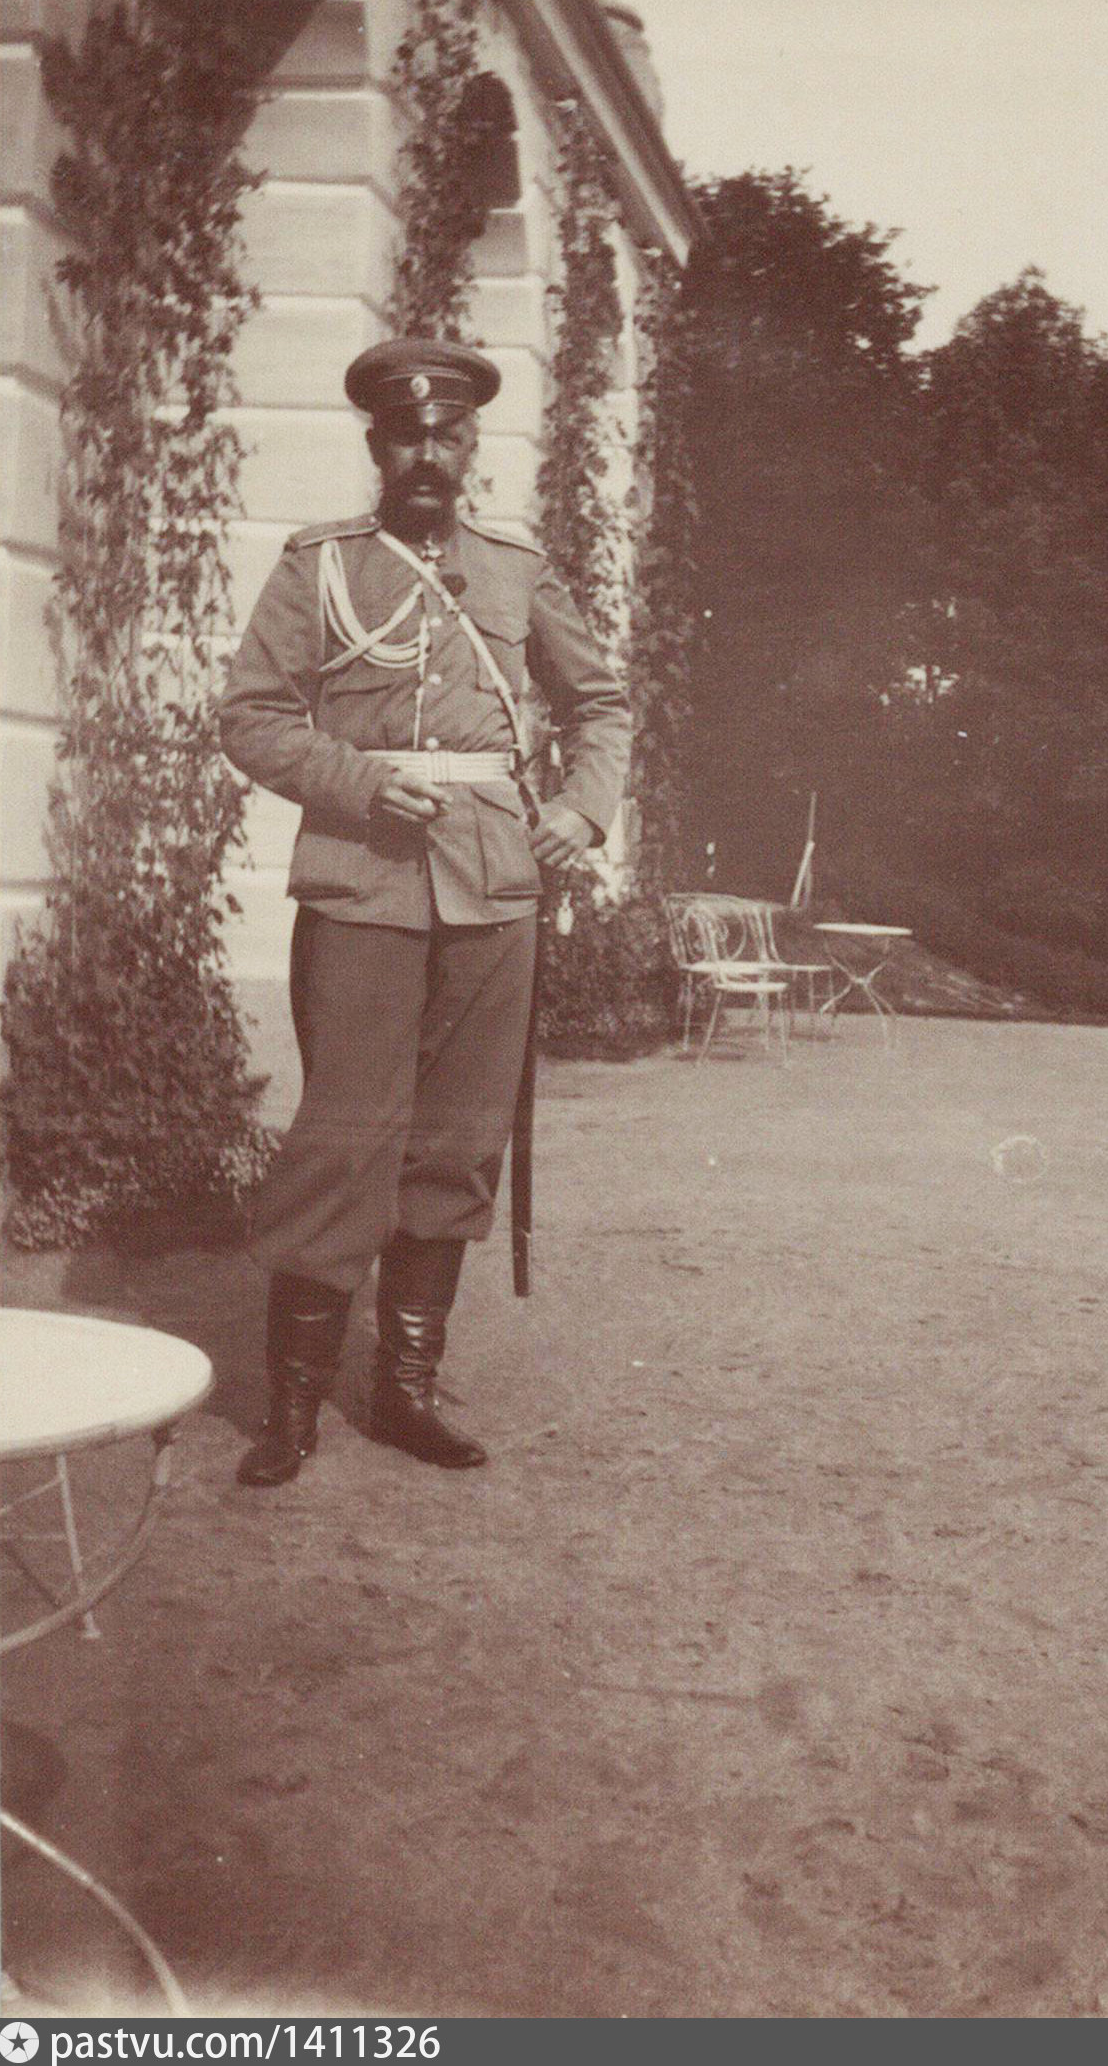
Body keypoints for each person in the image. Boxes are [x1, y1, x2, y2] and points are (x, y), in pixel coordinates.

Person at [220, 338, 631, 1487]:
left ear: (471, 445)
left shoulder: (515, 568)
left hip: (493, 882)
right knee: (342, 1137)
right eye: (407, 437)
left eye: (447, 436)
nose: (428, 455)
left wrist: (582, 811)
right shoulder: (321, 566)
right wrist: (356, 782)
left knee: (456, 1141)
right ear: (376, 445)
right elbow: (252, 716)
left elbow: (598, 703)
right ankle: (291, 1409)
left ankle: (404, 1391)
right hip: (362, 873)